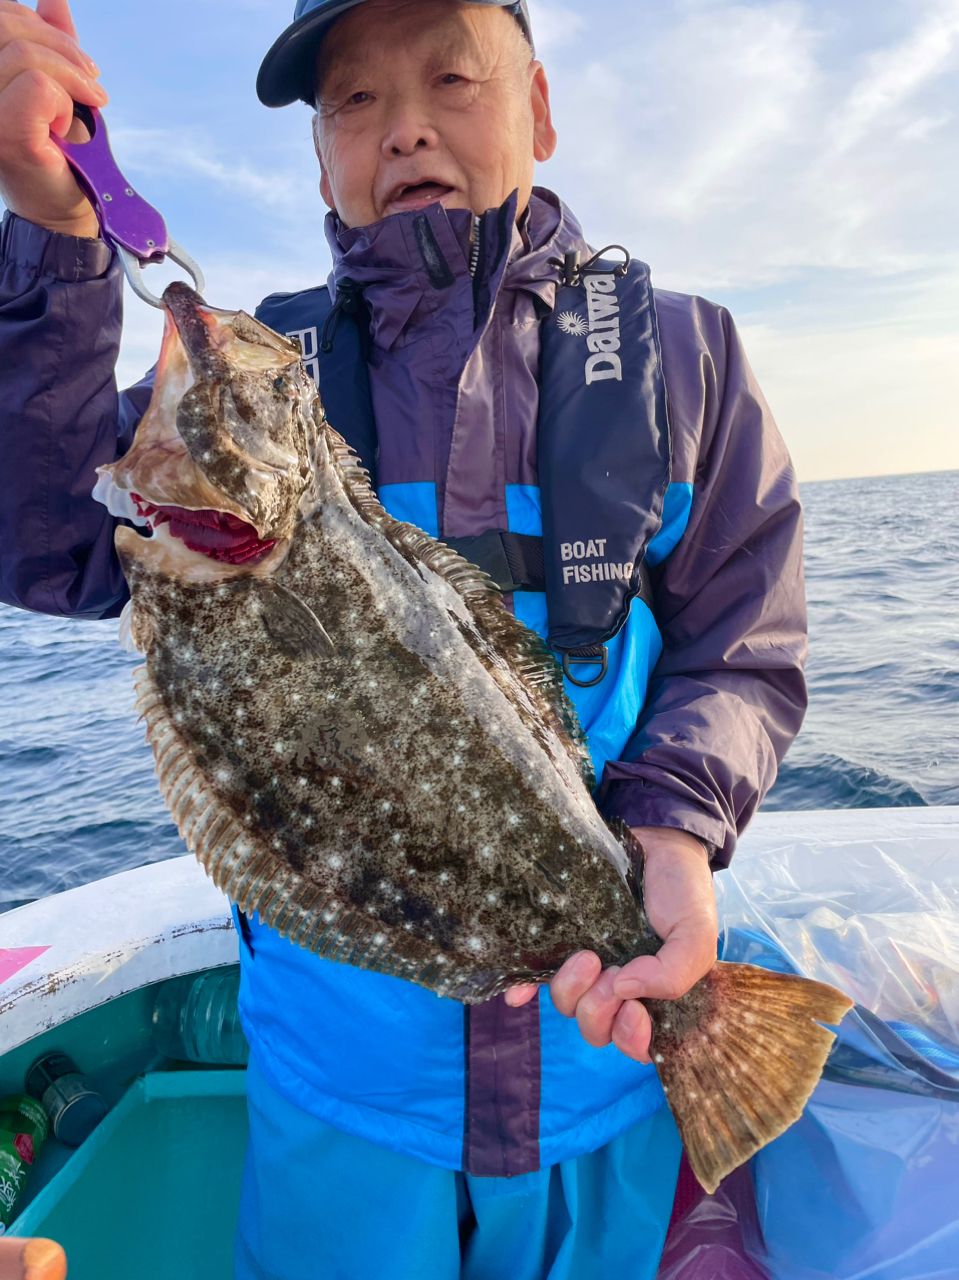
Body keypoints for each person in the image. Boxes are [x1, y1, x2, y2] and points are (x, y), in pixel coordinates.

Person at [0, 1, 808, 1276]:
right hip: (341, 1077)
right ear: (319, 159)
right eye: (355, 104)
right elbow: (44, 537)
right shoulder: (279, 377)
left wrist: (672, 831)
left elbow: (740, 642)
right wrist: (55, 237)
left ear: (537, 108)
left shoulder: (680, 355)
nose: (407, 128)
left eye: (450, 78)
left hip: (603, 1052)